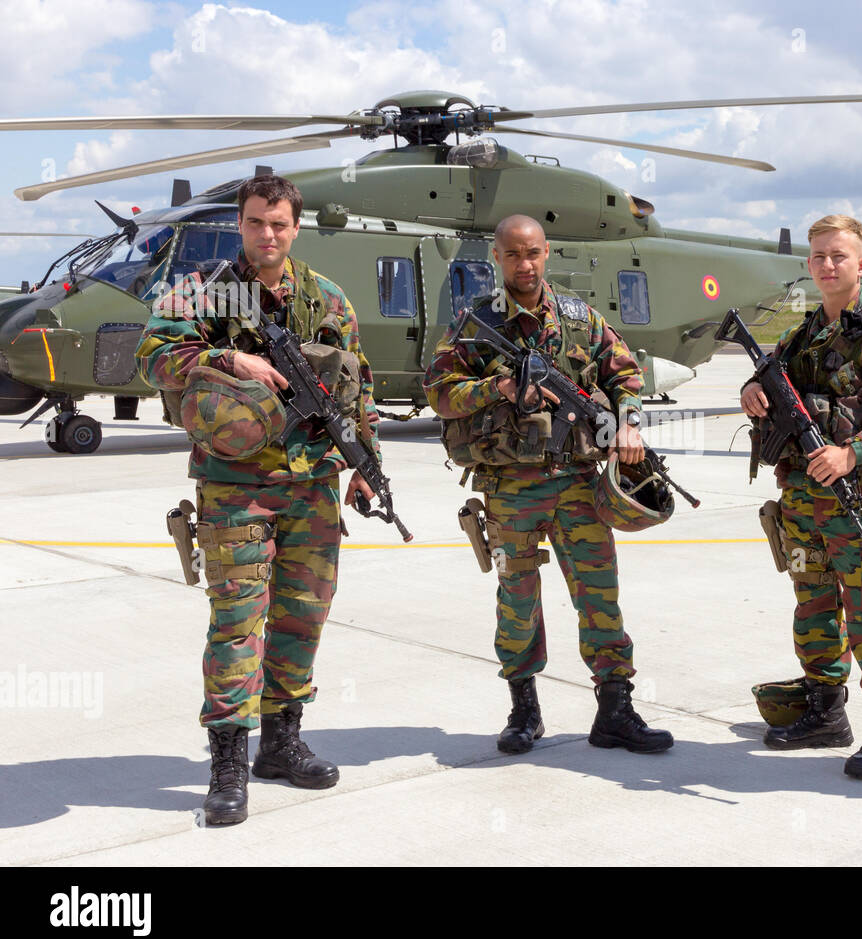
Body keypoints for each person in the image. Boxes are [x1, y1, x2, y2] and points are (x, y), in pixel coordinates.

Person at [137, 174, 379, 825]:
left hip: (314, 486)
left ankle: (281, 743)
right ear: (239, 224)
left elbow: (356, 388)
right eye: (254, 223)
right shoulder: (205, 292)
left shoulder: (328, 299)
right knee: (238, 619)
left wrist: (365, 466)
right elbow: (152, 360)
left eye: (278, 224)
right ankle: (227, 759)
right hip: (236, 483)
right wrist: (227, 359)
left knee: (304, 616)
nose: (266, 235)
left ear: (295, 226)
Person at [425, 214, 673, 755]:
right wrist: (500, 387)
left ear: (547, 252)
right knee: (517, 597)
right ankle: (523, 709)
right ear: (497, 257)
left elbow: (624, 373)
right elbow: (439, 391)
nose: (525, 264)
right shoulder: (477, 321)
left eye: (533, 253)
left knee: (599, 594)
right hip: (511, 486)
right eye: (514, 255)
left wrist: (627, 420)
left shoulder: (580, 318)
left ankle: (615, 709)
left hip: (580, 483)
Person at [741, 214, 862, 779]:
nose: (827, 265)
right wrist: (752, 389)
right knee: (814, 607)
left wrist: (854, 453)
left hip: (856, 500)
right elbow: (773, 380)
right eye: (819, 256)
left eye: (838, 256)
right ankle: (825, 712)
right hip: (800, 501)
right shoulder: (802, 333)